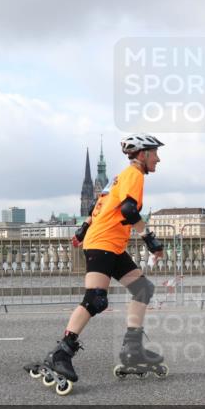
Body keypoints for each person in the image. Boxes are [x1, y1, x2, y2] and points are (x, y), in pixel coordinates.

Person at [27, 134, 167, 395]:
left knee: (143, 289)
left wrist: (81, 231)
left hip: (109, 244)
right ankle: (61, 353)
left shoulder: (117, 178)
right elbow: (128, 210)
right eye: (155, 153)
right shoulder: (134, 175)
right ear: (142, 155)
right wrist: (150, 240)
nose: (158, 158)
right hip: (104, 243)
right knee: (95, 300)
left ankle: (133, 350)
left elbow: (97, 207)